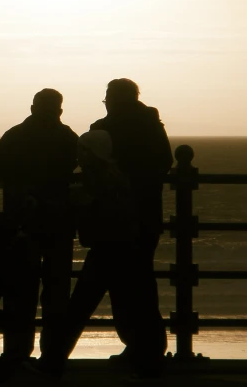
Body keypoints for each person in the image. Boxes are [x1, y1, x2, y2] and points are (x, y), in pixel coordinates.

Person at [40, 130, 162, 379]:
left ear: (91, 153)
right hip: (121, 249)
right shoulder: (111, 175)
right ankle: (147, 362)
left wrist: (84, 204)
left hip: (108, 249)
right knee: (127, 305)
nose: (78, 154)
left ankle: (52, 363)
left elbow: (102, 210)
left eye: (82, 150)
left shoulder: (97, 178)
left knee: (79, 308)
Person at [0, 89, 78, 372]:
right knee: (57, 291)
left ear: (33, 107)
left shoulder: (17, 135)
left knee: (20, 289)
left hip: (21, 222)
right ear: (59, 110)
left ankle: (17, 351)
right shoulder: (67, 137)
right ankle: (53, 354)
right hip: (58, 222)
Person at [89, 78, 171, 362]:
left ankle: (137, 343)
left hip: (113, 218)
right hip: (147, 215)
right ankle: (150, 345)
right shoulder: (152, 125)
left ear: (113, 99)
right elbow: (164, 162)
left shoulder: (103, 130)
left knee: (121, 287)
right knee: (143, 283)